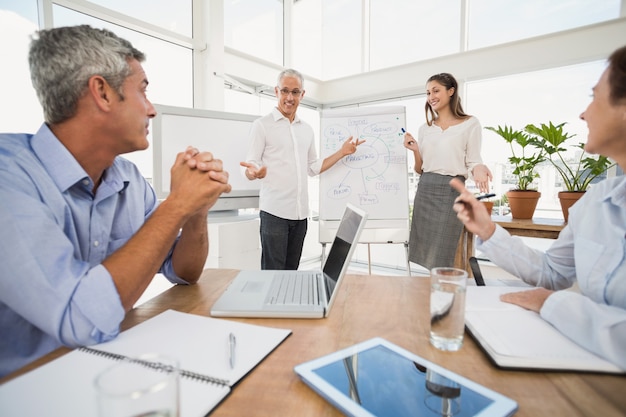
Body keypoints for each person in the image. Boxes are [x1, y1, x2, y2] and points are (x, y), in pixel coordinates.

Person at [0, 25, 232, 378]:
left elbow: (184, 272)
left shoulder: (128, 179)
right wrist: (176, 205)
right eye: (142, 91)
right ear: (102, 93)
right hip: (25, 386)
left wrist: (196, 212)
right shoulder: (9, 180)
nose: (151, 109)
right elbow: (81, 320)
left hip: (105, 365)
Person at [450, 44, 626, 370]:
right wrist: (488, 230)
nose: (584, 113)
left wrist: (552, 304)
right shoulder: (595, 202)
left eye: (594, 96)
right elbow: (552, 273)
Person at [241, 68, 364, 270]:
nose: (290, 97)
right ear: (276, 91)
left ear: (302, 94)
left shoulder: (306, 129)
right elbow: (251, 162)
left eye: (295, 92)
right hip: (274, 214)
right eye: (285, 91)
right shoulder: (262, 126)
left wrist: (342, 152)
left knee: (292, 273)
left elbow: (313, 167)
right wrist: (253, 172)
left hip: (300, 216)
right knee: (273, 276)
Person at [403, 73, 492, 270]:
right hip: (425, 189)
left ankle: (447, 294)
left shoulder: (470, 123)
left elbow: (474, 159)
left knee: (444, 254)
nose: (431, 96)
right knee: (425, 254)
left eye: (436, 90)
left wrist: (479, 169)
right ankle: (431, 293)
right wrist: (416, 150)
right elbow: (420, 169)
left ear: (451, 91)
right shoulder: (425, 129)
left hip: (451, 190)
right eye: (427, 93)